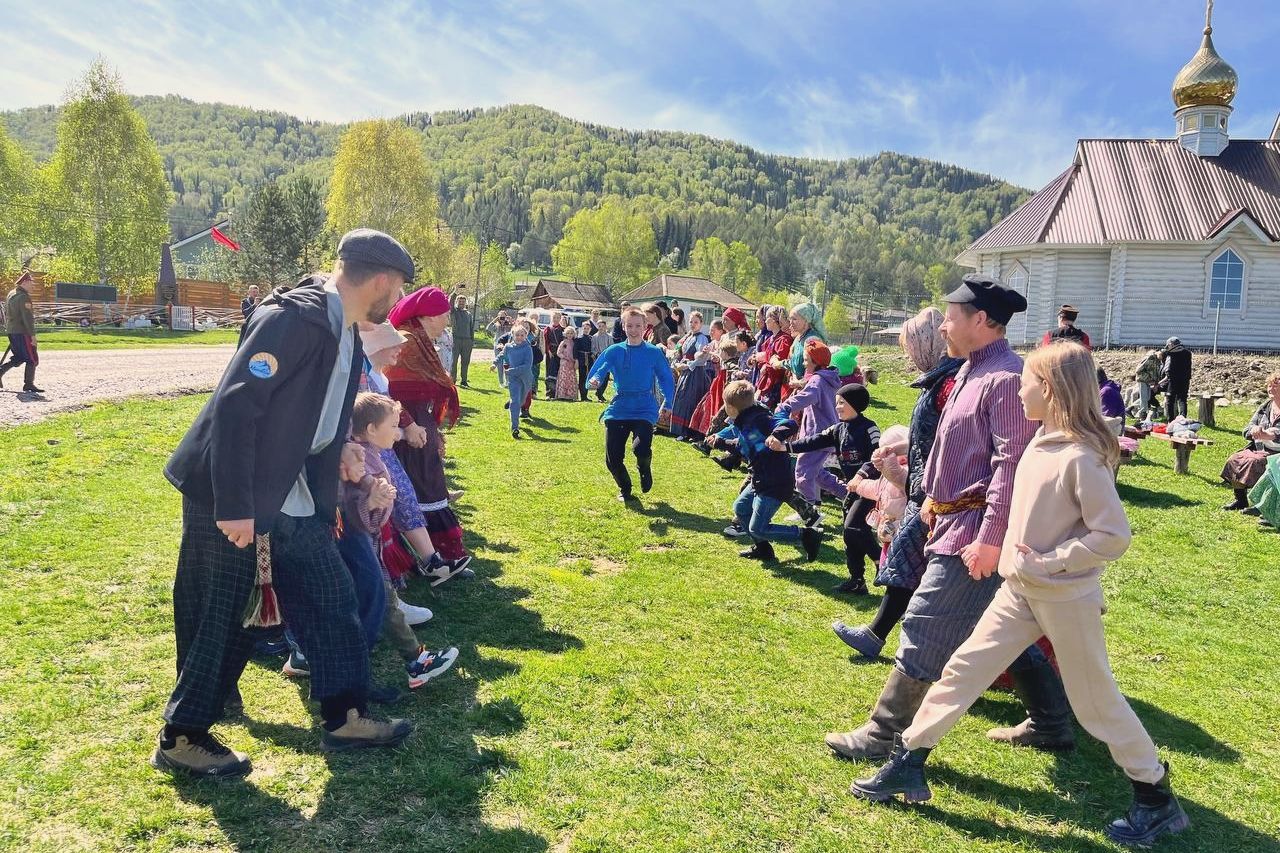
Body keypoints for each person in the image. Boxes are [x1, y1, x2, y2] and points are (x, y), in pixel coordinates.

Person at [850, 341, 1190, 849]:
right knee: (963, 669)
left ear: (1048, 391)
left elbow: (1113, 536)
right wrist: (1002, 555)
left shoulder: (1081, 456)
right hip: (1018, 589)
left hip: (1064, 596)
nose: (1019, 388)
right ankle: (908, 762)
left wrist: (1050, 562)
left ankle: (1156, 798)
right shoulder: (1040, 442)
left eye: (1027, 382)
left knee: (1096, 702)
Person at [156, 229, 417, 778]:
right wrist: (233, 505)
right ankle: (183, 735)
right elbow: (236, 408)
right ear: (381, 281)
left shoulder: (344, 330)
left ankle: (344, 713)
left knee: (330, 592)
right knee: (222, 612)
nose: (396, 302)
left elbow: (311, 412)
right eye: (397, 289)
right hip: (232, 490)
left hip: (292, 490)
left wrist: (343, 446)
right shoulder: (292, 319)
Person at [824, 273, 1072, 764]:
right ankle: (1052, 722)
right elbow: (953, 445)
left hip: (975, 532)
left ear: (981, 321)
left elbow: (1009, 465)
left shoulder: (1002, 380)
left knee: (924, 621)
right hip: (954, 522)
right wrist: (921, 477)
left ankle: (882, 734)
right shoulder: (968, 370)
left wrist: (991, 539)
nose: (943, 326)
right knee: (995, 628)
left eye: (952, 316)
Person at [834, 308, 963, 659]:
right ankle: (880, 637)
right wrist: (902, 447)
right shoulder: (941, 378)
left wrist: (906, 478)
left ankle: (905, 648)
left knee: (918, 566)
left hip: (937, 494)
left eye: (909, 346)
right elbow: (932, 437)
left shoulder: (951, 383)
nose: (907, 354)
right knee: (910, 564)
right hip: (924, 489)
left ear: (927, 343)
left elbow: (950, 442)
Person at [348, 393, 460, 691]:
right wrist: (375, 502)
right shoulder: (360, 460)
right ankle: (411, 662)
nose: (397, 432)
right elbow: (355, 512)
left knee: (379, 604)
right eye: (393, 426)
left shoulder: (369, 453)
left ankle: (410, 661)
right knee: (377, 603)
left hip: (367, 546)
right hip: (358, 546)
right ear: (371, 429)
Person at [385, 286, 470, 564]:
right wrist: (409, 424)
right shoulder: (408, 341)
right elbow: (389, 390)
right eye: (444, 315)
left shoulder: (418, 339)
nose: (447, 321)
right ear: (429, 316)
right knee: (422, 484)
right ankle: (429, 556)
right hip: (405, 427)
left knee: (426, 483)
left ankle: (436, 553)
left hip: (417, 423)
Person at [781, 381, 880, 592]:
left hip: (870, 488)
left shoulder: (869, 428)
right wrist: (785, 446)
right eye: (837, 403)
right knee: (849, 535)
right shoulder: (838, 429)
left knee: (853, 527)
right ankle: (857, 581)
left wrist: (861, 475)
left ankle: (881, 561)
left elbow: (876, 458)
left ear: (855, 404)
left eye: (842, 403)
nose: (837, 407)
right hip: (852, 491)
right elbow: (813, 441)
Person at [708, 380, 821, 562]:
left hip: (774, 482)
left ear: (731, 408)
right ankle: (763, 549)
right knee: (741, 508)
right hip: (760, 478)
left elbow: (789, 423)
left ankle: (806, 535)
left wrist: (777, 435)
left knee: (758, 528)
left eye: (725, 404)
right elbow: (748, 445)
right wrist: (720, 441)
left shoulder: (759, 419)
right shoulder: (744, 421)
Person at [587, 307, 675, 502]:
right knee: (613, 459)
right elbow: (601, 369)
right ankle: (625, 488)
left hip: (644, 407)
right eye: (629, 326)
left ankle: (644, 467)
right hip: (619, 407)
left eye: (637, 326)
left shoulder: (653, 353)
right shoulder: (614, 350)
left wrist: (667, 402)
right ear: (623, 326)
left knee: (640, 448)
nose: (633, 330)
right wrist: (595, 380)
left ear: (645, 327)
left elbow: (665, 379)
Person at [776, 340, 844, 513]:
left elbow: (807, 397)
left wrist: (785, 406)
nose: (804, 364)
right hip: (827, 434)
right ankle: (850, 494)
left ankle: (809, 511)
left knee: (802, 475)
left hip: (816, 437)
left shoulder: (817, 381)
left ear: (816, 362)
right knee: (818, 474)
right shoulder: (829, 379)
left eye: (806, 360)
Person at [1221, 372, 1280, 511]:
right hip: (1260, 449)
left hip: (1277, 453)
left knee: (1256, 463)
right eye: (1269, 386)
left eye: (1276, 386)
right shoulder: (1265, 406)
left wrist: (1271, 435)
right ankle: (1240, 500)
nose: (1271, 389)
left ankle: (1262, 506)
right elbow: (1247, 429)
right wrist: (1254, 430)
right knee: (1235, 459)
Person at [669, 312, 713, 439]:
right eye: (691, 322)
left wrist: (688, 365)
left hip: (696, 374)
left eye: (696, 322)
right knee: (682, 399)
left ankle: (687, 431)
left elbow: (702, 357)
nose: (693, 325)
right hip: (686, 372)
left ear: (701, 324)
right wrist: (678, 363)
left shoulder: (702, 338)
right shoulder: (687, 337)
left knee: (690, 401)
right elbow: (680, 352)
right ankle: (680, 430)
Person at [1, 270, 41, 393]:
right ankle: (28, 384)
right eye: (31, 283)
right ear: (24, 282)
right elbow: (27, 319)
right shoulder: (24, 297)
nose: (33, 286)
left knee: (19, 357)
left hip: (12, 331)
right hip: (22, 332)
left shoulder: (11, 294)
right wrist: (32, 336)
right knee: (32, 358)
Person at [497, 324, 535, 438]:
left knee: (521, 401)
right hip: (513, 379)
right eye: (517, 335)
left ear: (525, 336)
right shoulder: (508, 346)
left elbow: (527, 366)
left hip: (525, 378)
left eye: (522, 335)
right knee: (515, 402)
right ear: (512, 335)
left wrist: (511, 370)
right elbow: (501, 355)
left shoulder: (528, 348)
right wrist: (494, 363)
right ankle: (515, 427)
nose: (519, 337)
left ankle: (513, 402)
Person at [755, 306, 793, 409]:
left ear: (774, 320)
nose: (765, 321)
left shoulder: (784, 340)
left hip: (775, 385)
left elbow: (780, 365)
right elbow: (766, 358)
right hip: (766, 382)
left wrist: (766, 366)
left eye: (767, 318)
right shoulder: (771, 339)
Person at [1158, 337, 1192, 421]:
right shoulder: (1188, 353)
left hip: (1173, 380)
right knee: (1182, 399)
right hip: (1185, 379)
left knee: (1170, 400)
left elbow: (1168, 367)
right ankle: (1183, 418)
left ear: (1171, 344)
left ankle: (1170, 420)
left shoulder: (1170, 354)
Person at [449, 293, 475, 387]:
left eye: (463, 302)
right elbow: (450, 303)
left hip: (467, 340)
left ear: (465, 303)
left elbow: (471, 327)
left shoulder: (468, 314)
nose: (461, 303)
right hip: (456, 339)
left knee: (465, 361)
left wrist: (472, 340)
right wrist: (454, 293)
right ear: (457, 302)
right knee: (454, 361)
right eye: (460, 301)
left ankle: (464, 380)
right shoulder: (454, 311)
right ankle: (452, 380)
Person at [1132, 349, 1162, 421]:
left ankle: (1130, 408)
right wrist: (1149, 379)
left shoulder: (1158, 361)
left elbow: (1155, 373)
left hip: (1149, 381)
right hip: (1143, 379)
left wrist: (1155, 383)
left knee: (1147, 398)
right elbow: (1139, 370)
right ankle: (1143, 414)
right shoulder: (1150, 358)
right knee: (1144, 399)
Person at [543, 311, 565, 397]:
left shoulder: (563, 329)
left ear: (560, 319)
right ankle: (549, 392)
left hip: (560, 353)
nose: (556, 319)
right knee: (549, 372)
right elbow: (546, 341)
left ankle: (558, 392)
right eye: (554, 317)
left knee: (558, 371)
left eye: (557, 318)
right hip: (550, 352)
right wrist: (548, 351)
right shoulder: (548, 329)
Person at [555, 326, 580, 401]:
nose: (570, 335)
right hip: (564, 363)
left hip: (572, 363)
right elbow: (558, 352)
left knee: (571, 379)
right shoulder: (563, 342)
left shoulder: (574, 343)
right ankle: (562, 395)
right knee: (564, 378)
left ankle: (570, 395)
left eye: (571, 333)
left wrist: (575, 360)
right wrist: (565, 357)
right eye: (568, 333)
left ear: (574, 334)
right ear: (565, 334)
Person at [590, 320, 613, 402]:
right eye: (599, 326)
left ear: (605, 327)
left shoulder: (609, 337)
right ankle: (599, 395)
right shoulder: (594, 337)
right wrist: (596, 354)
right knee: (599, 377)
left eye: (602, 326)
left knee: (606, 378)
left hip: (607, 360)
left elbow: (611, 348)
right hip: (598, 359)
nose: (601, 328)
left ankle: (600, 392)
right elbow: (592, 349)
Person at [574, 319, 596, 401]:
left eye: (587, 328)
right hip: (581, 359)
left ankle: (585, 395)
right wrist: (576, 360)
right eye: (584, 328)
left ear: (590, 329)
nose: (586, 330)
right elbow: (575, 350)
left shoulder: (591, 338)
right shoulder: (578, 338)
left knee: (588, 377)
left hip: (589, 359)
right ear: (582, 329)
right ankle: (582, 396)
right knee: (582, 377)